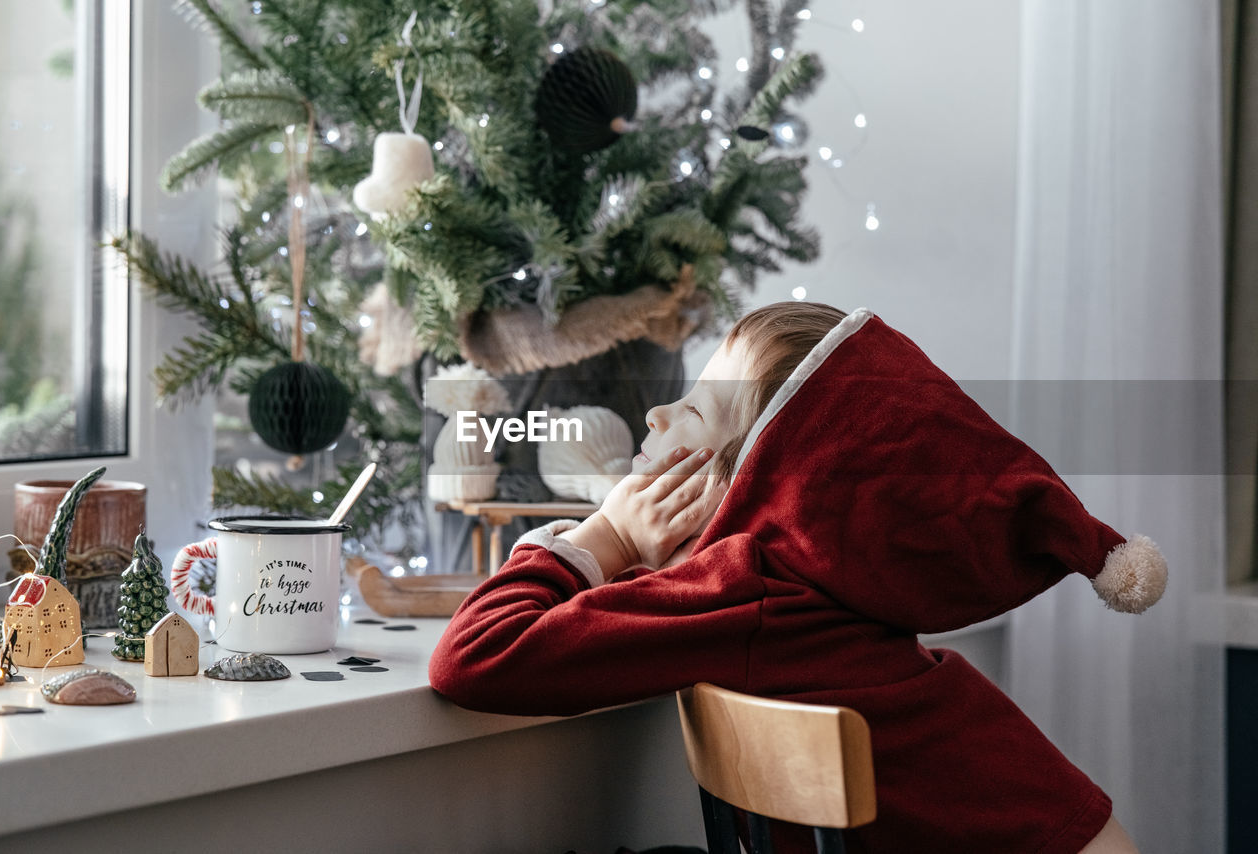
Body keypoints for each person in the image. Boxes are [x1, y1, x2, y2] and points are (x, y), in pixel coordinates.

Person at [430, 302, 1165, 853]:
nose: (657, 413)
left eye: (693, 410)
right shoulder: (792, 582)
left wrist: (611, 534)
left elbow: (475, 658)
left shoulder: (746, 584)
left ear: (760, 484)